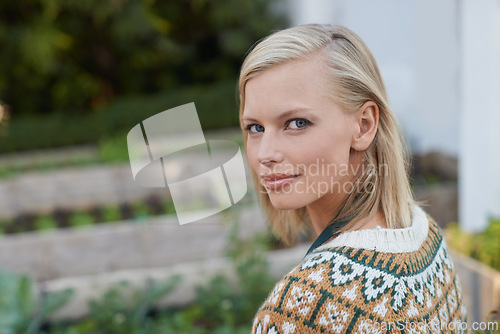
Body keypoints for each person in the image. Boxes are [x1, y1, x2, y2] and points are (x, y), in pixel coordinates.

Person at [238, 24, 467, 334]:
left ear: (363, 125)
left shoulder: (302, 304)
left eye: (296, 123)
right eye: (255, 128)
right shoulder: (425, 235)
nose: (265, 153)